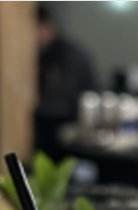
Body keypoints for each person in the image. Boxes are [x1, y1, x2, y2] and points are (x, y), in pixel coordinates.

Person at [35, 6, 97, 154]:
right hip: (48, 130)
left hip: (69, 131)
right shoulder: (40, 55)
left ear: (47, 27)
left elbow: (62, 99)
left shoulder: (69, 55)